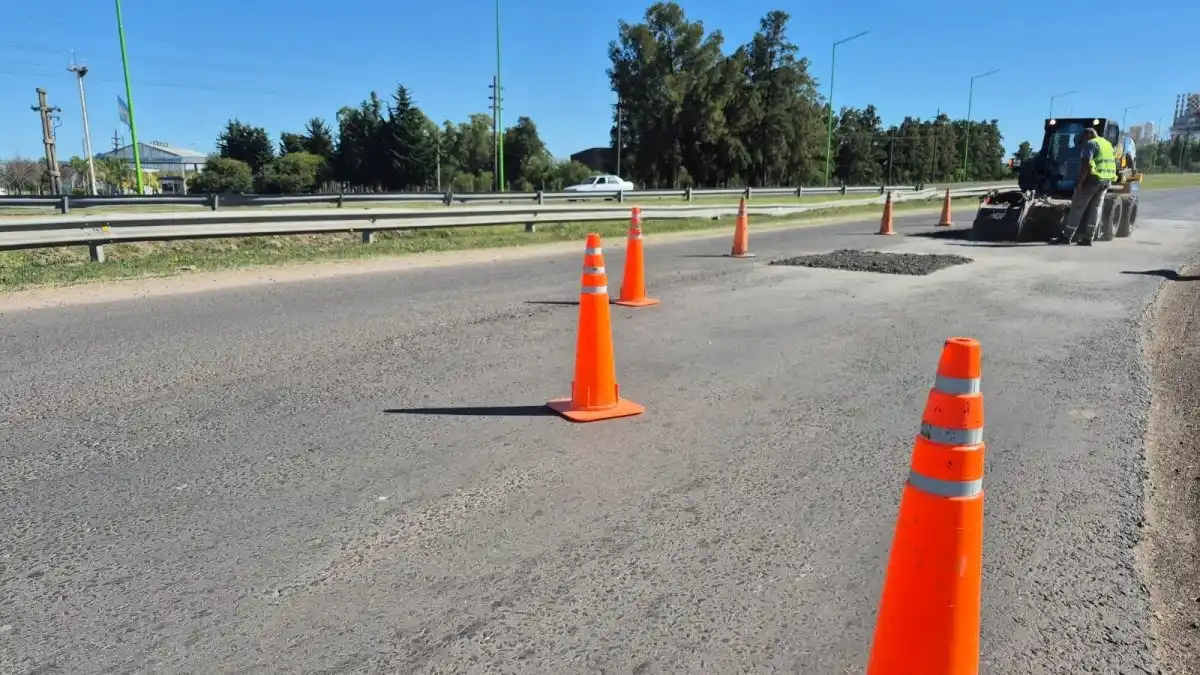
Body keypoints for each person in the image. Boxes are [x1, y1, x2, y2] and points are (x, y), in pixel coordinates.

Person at [1052, 127, 1117, 246]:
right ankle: (1088, 238)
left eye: (1081, 140)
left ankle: (1066, 237)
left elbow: (1086, 164)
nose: (1082, 144)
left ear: (1088, 135)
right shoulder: (1107, 144)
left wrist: (1080, 182)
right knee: (1096, 209)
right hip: (1106, 180)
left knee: (1077, 207)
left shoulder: (1090, 144)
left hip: (1092, 180)